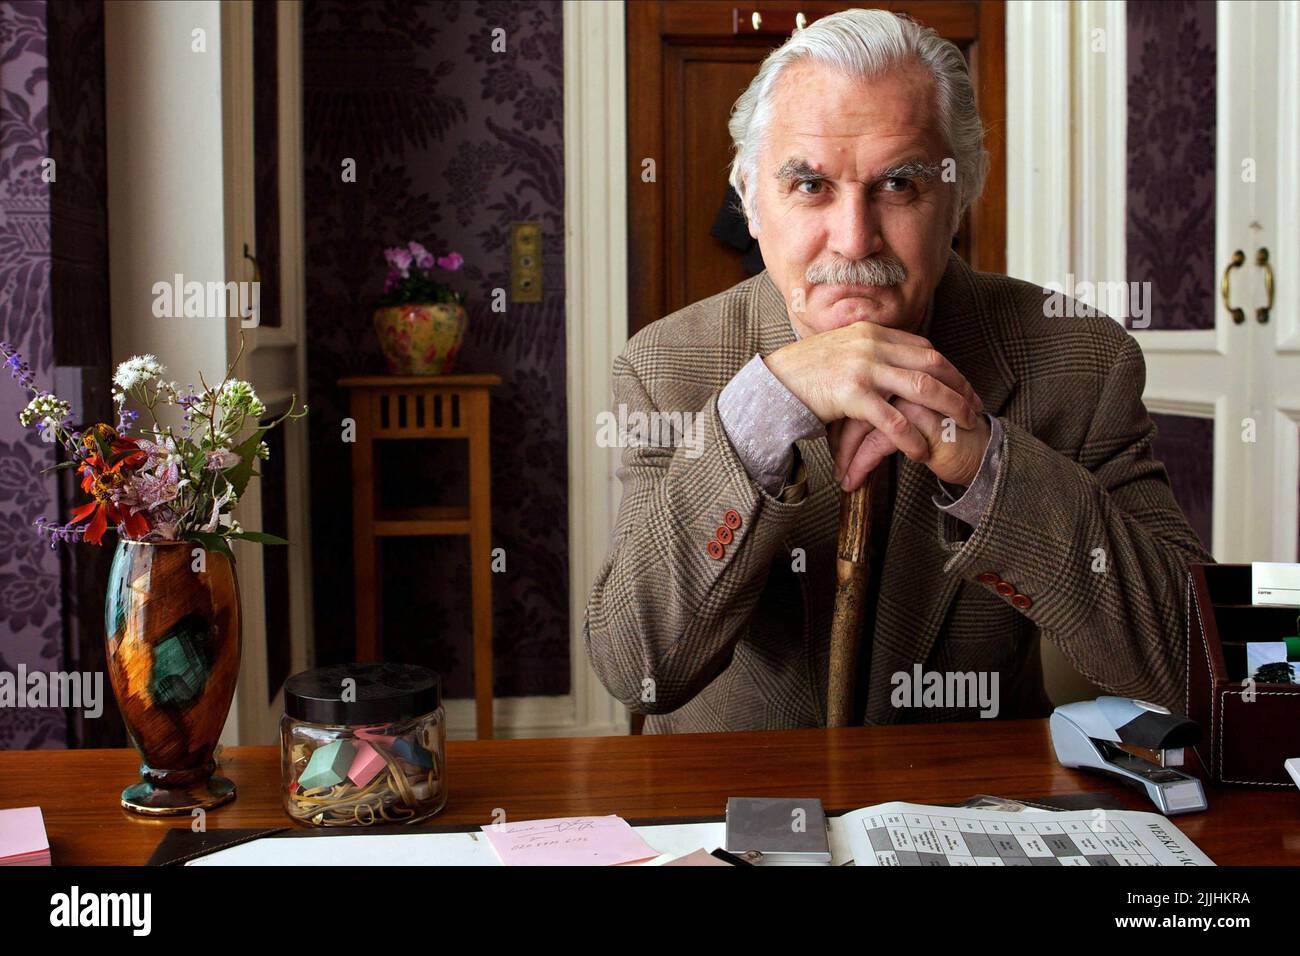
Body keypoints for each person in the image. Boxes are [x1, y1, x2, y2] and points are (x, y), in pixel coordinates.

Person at [584, 8, 1211, 733]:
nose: (854, 239)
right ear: (752, 201)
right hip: (729, 807)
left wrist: (988, 465)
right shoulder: (665, 366)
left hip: (966, 806)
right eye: (810, 186)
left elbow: (1196, 669)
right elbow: (636, 671)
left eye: (900, 186)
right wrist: (762, 412)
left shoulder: (1080, 362)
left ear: (960, 198)